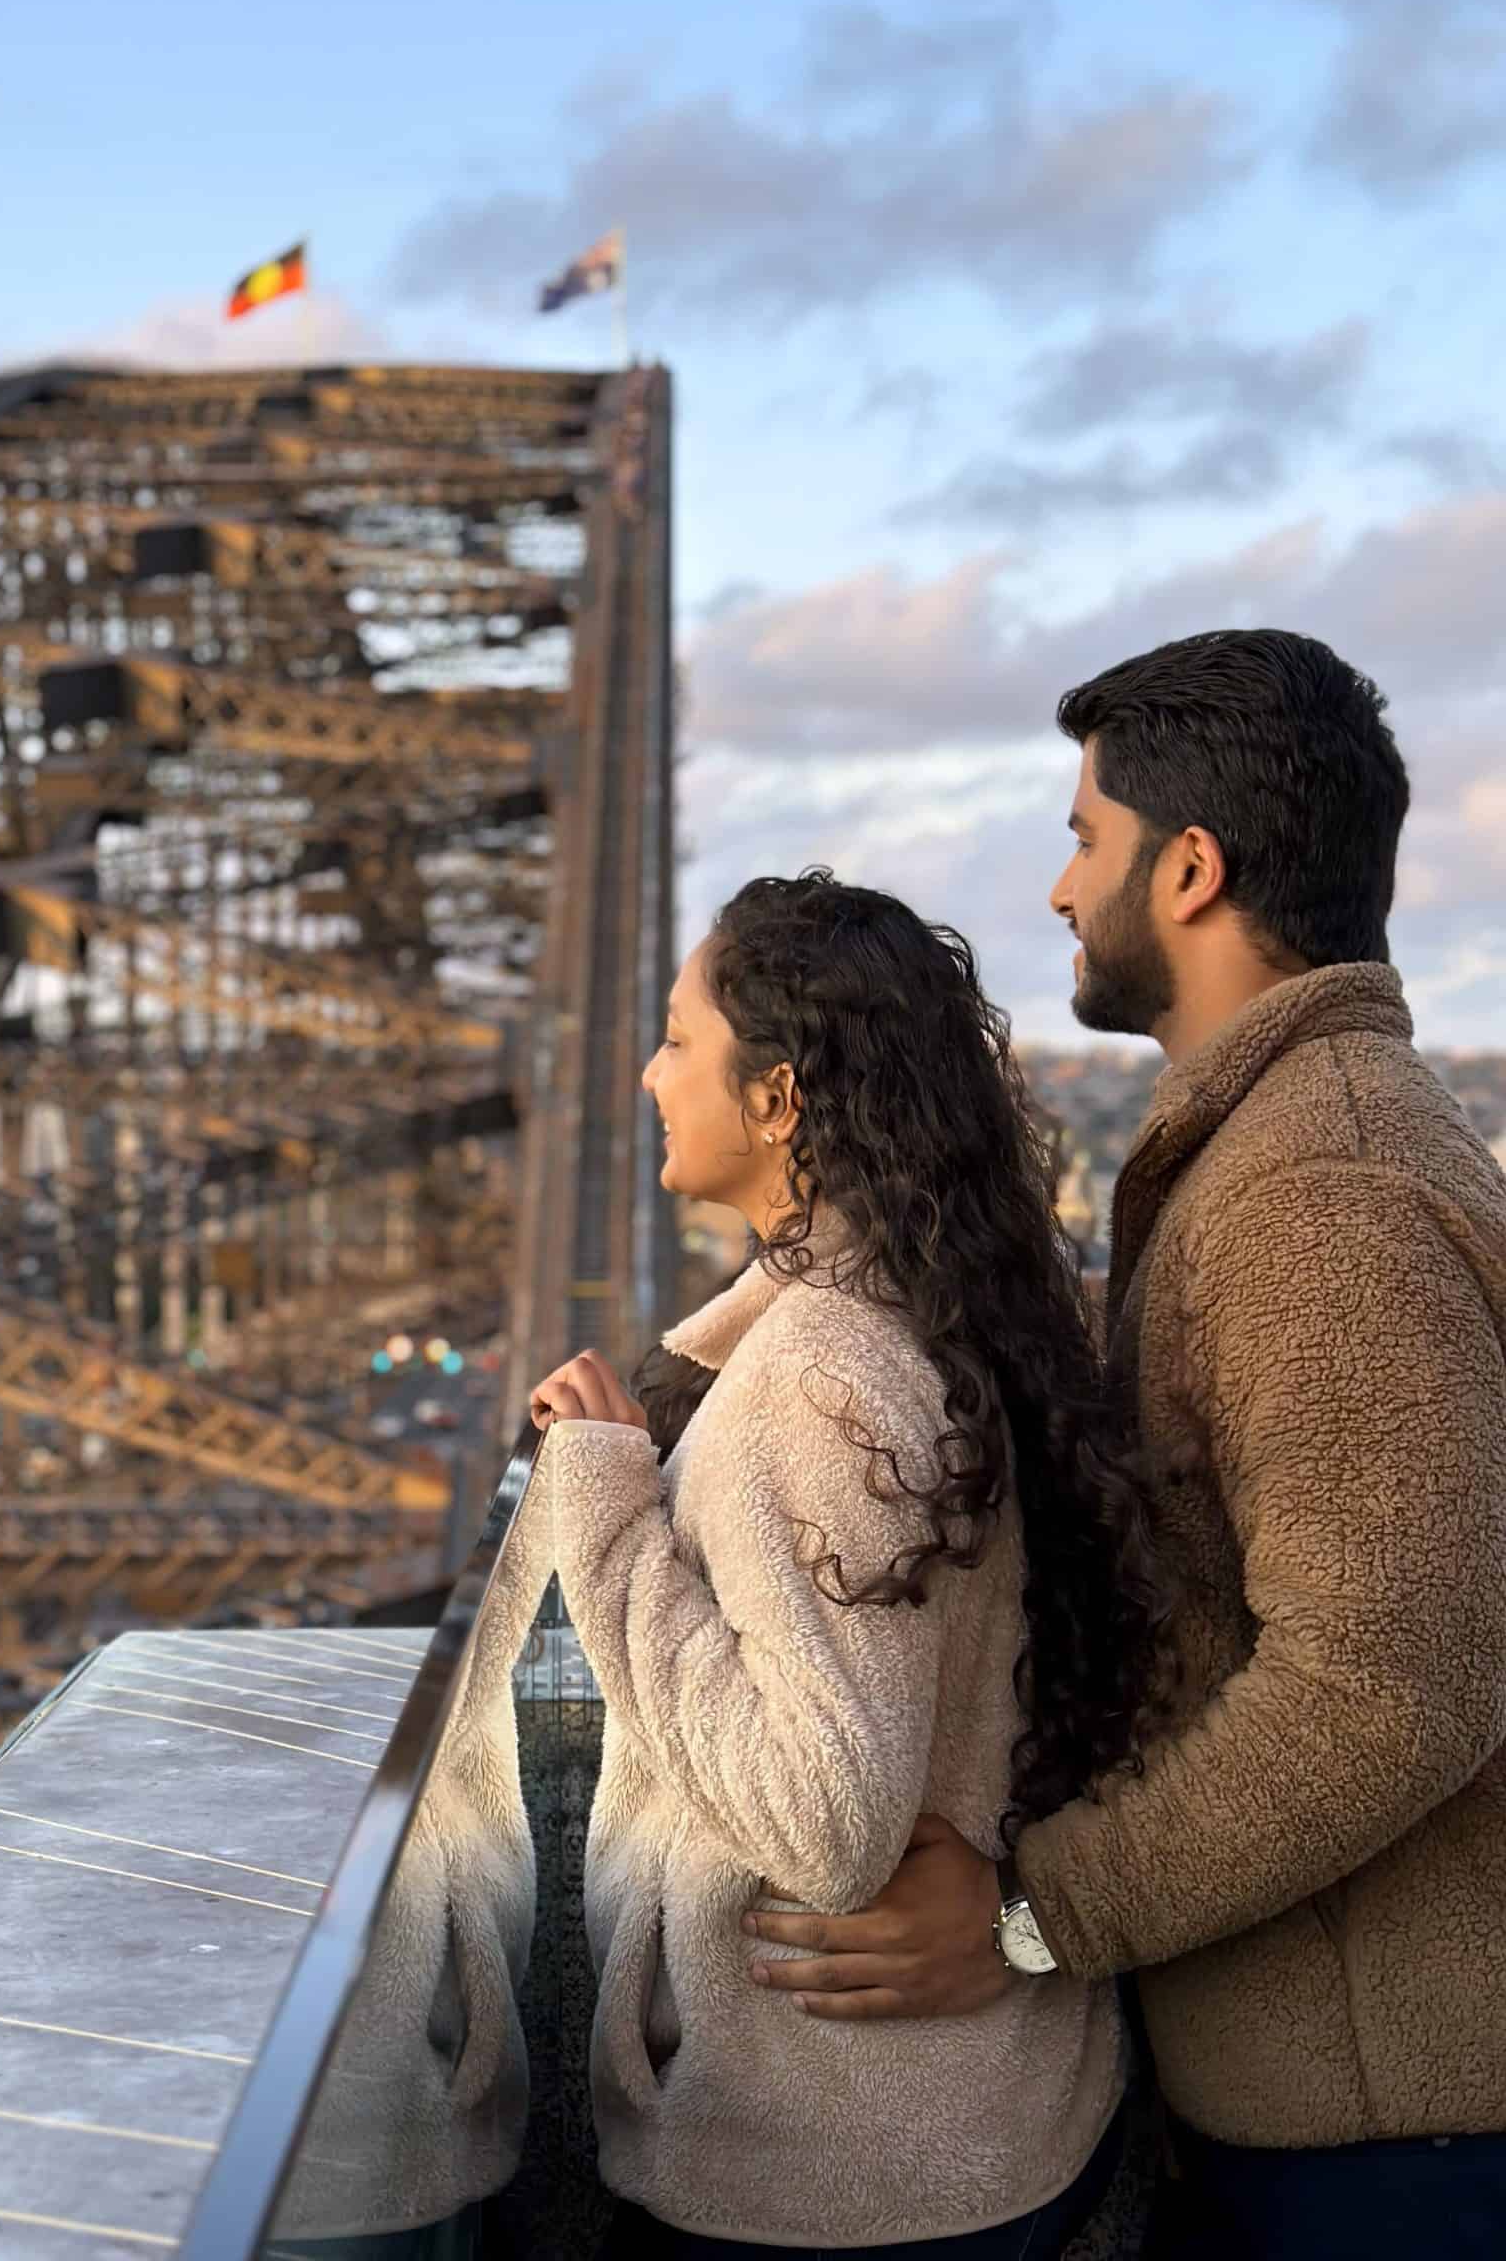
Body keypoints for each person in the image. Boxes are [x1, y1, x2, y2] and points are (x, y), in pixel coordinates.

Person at [743, 630, 1506, 2258]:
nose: (1056, 891)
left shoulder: (1319, 1195)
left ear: (1192, 872)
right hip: (1349, 2112)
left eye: (1086, 838)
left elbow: (1395, 1684)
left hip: (1394, 2150)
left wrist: (1032, 1917)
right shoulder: (1271, 1154)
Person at [526, 871, 1169, 2255]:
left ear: (778, 1098)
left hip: (837, 2171)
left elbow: (825, 1827)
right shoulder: (928, 1307)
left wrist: (610, 1514)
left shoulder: (825, 1375)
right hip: (977, 2119)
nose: (648, 1070)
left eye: (681, 1039)